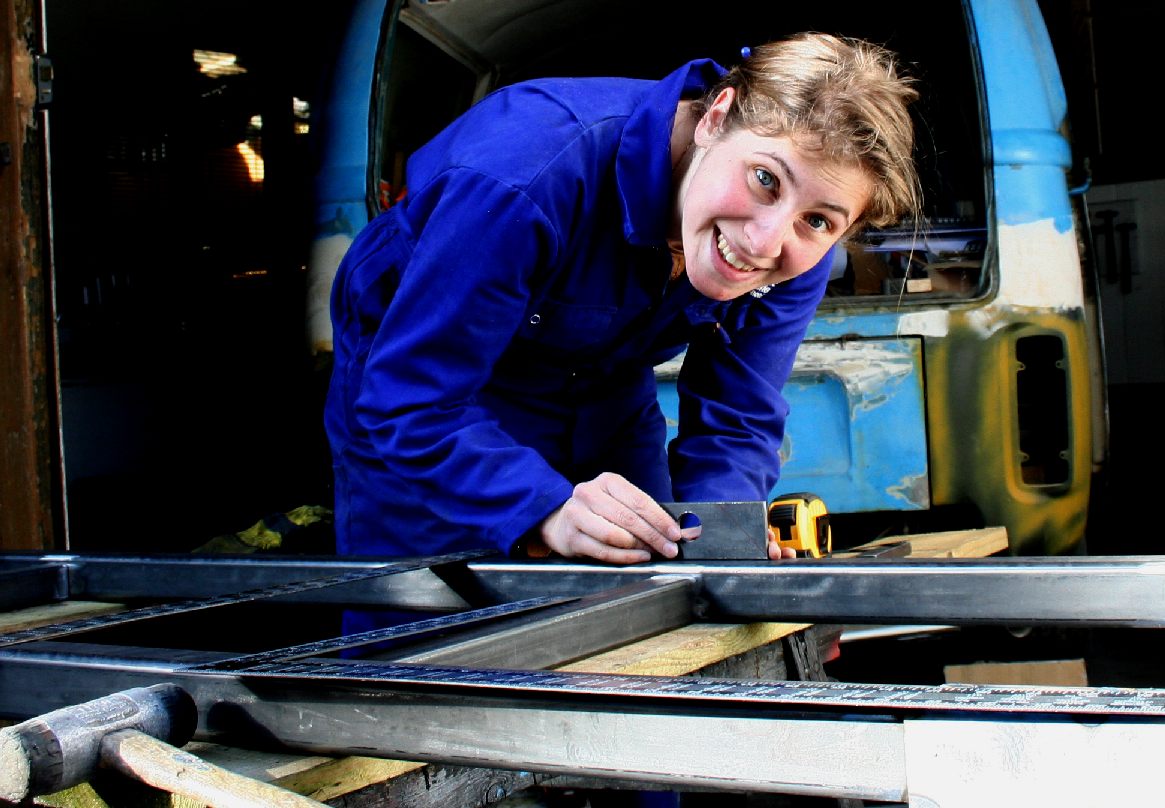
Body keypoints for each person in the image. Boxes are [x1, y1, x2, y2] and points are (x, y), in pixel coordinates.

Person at [324, 32, 920, 564]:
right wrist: (544, 509)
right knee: (426, 634)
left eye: (818, 221)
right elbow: (410, 400)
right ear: (716, 117)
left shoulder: (794, 247)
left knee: (657, 568)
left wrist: (721, 538)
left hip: (605, 379)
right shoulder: (523, 176)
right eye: (765, 179)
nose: (765, 240)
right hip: (424, 388)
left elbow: (738, 413)